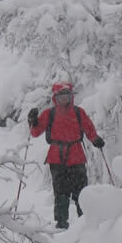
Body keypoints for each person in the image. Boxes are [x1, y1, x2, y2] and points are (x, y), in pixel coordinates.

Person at [28, 82, 105, 229]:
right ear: (55, 97)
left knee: (82, 192)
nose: (64, 99)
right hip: (57, 158)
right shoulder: (49, 114)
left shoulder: (78, 112)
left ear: (71, 97)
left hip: (76, 157)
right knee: (61, 193)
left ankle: (87, 221)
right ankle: (62, 223)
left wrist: (95, 139)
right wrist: (32, 121)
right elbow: (35, 132)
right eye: (61, 96)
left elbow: (89, 128)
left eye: (67, 96)